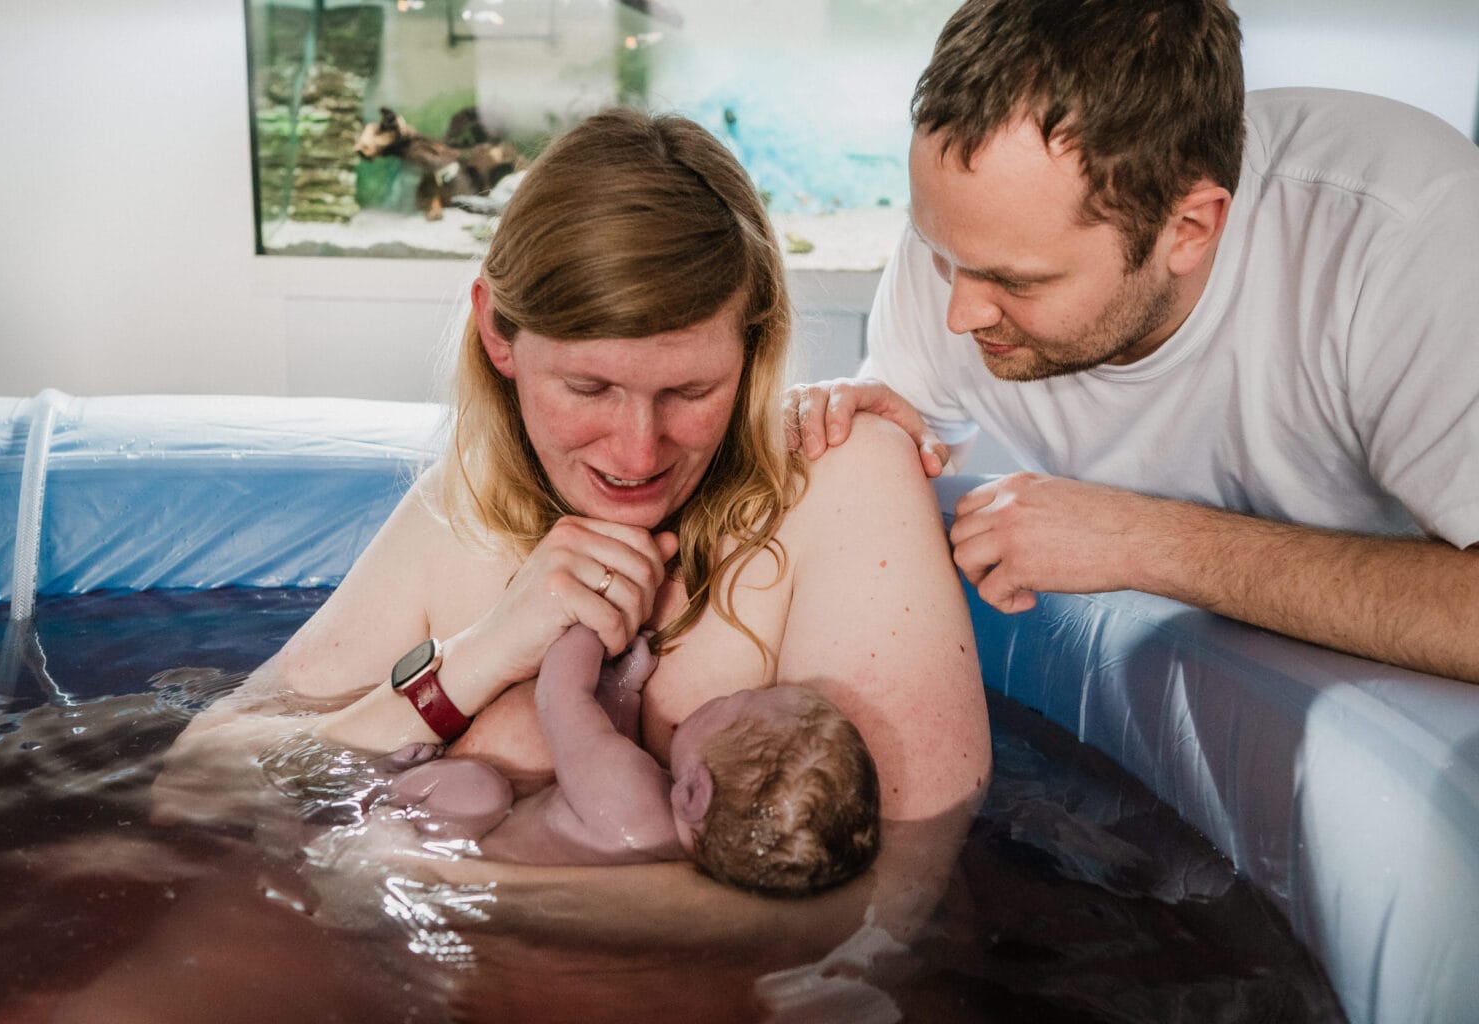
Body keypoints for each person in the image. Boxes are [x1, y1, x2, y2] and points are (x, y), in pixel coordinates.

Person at [146, 106, 991, 1019]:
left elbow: (887, 900)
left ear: (753, 346)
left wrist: (427, 880)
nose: (637, 452)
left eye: (691, 391)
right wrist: (476, 659)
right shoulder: (465, 506)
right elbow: (198, 782)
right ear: (498, 336)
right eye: (588, 388)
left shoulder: (838, 482)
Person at [793, 0, 1479, 683]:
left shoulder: (1409, 242)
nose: (959, 313)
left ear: (1189, 229)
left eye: (1018, 282)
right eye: (938, 251)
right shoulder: (970, 241)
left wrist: (1142, 540)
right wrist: (869, 439)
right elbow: (913, 448)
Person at [376, 625, 880, 897]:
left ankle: (387, 799)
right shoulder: (680, 843)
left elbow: (562, 698)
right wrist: (625, 686)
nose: (727, 696)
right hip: (499, 863)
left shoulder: (631, 802)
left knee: (477, 787)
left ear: (693, 793)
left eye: (736, 702)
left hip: (454, 847)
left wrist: (590, 623)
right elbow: (601, 747)